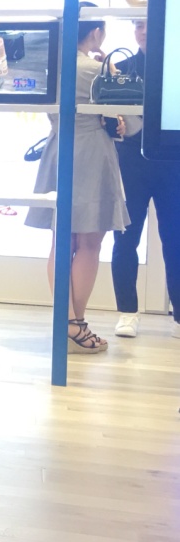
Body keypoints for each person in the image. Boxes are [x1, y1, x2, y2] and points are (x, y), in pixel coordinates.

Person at [24, 4, 130, 354]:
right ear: (96, 33)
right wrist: (110, 69)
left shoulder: (49, 67)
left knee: (62, 239)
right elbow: (130, 122)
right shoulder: (99, 69)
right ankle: (75, 325)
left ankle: (66, 323)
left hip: (58, 149)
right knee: (89, 241)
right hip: (92, 154)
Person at [111, 20, 180, 338]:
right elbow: (107, 117)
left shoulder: (175, 65)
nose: (143, 31)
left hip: (172, 164)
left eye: (149, 25)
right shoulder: (120, 68)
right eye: (138, 25)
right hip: (130, 165)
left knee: (176, 240)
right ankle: (127, 312)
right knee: (125, 238)